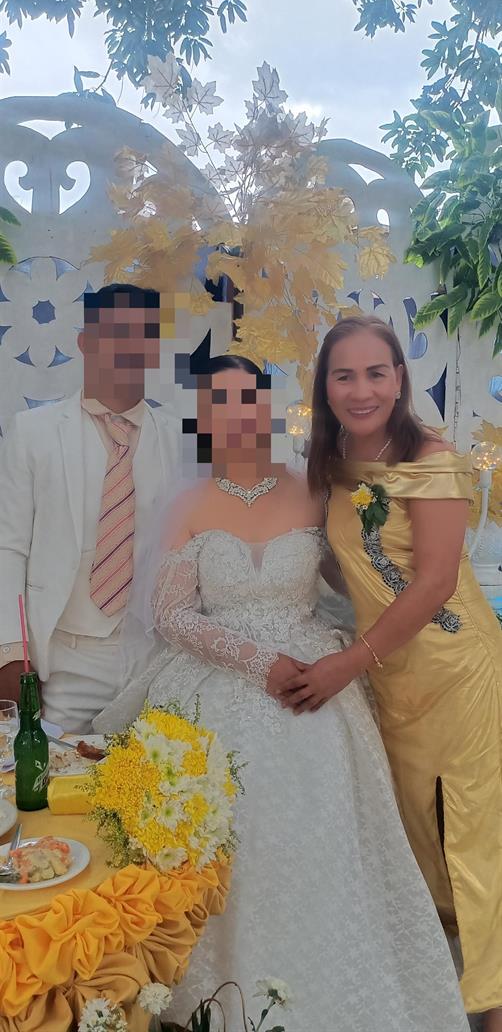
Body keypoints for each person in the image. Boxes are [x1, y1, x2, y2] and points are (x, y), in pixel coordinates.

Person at [100, 340, 469, 1032]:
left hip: (317, 678)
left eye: (247, 398)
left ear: (266, 406)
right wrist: (254, 660)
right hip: (217, 681)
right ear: (202, 418)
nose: (235, 413)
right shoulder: (189, 503)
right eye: (218, 403)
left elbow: (357, 578)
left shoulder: (317, 488)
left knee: (325, 831)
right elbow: (170, 614)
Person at [290, 314, 502, 1031]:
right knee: (420, 841)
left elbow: (435, 580)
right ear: (324, 387)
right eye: (344, 375)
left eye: (376, 373)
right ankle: (438, 1001)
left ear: (400, 379)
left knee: (473, 841)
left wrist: (346, 663)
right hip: (392, 679)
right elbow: (343, 563)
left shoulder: (432, 458)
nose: (362, 391)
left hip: (458, 675)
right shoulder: (331, 462)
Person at [0, 283, 179, 732]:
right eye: (113, 333)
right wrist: (10, 652)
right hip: (63, 656)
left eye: (140, 336)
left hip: (154, 656)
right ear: (85, 342)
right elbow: (9, 547)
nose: (126, 348)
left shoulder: (180, 440)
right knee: (52, 771)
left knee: (159, 771)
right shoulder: (33, 432)